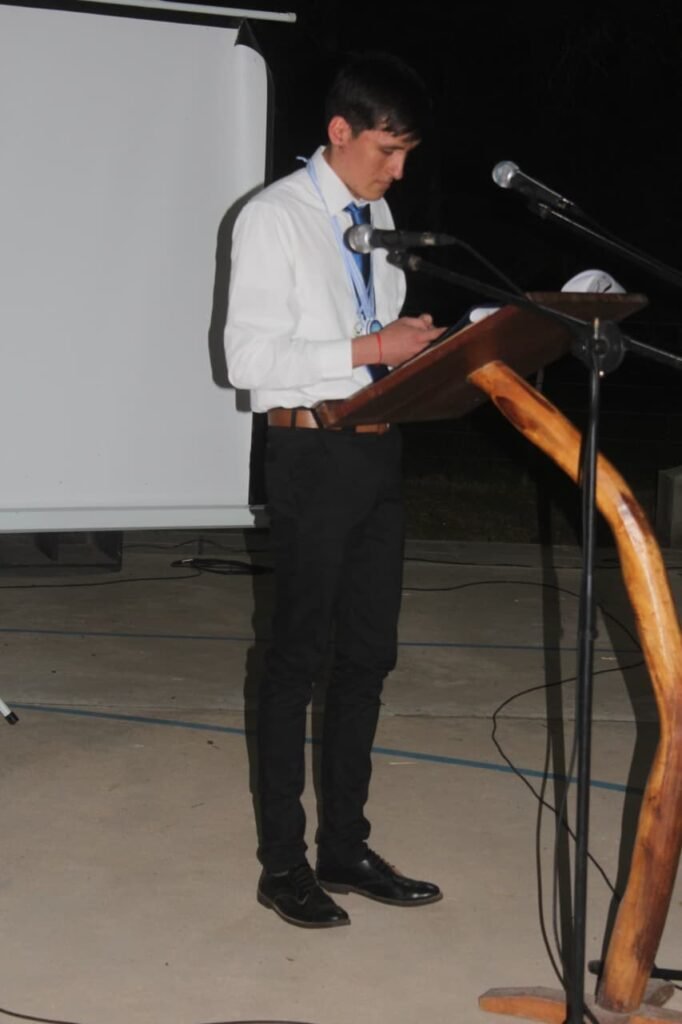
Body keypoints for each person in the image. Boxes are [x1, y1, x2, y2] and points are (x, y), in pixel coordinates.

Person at [224, 51, 444, 928]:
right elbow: (246, 359)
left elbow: (369, 330)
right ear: (340, 131)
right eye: (389, 150)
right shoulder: (273, 218)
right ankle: (283, 864)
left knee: (367, 658)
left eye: (407, 153)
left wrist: (413, 349)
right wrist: (370, 349)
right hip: (310, 456)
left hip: (378, 454)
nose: (399, 171)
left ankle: (345, 847)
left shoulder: (375, 215)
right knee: (296, 661)